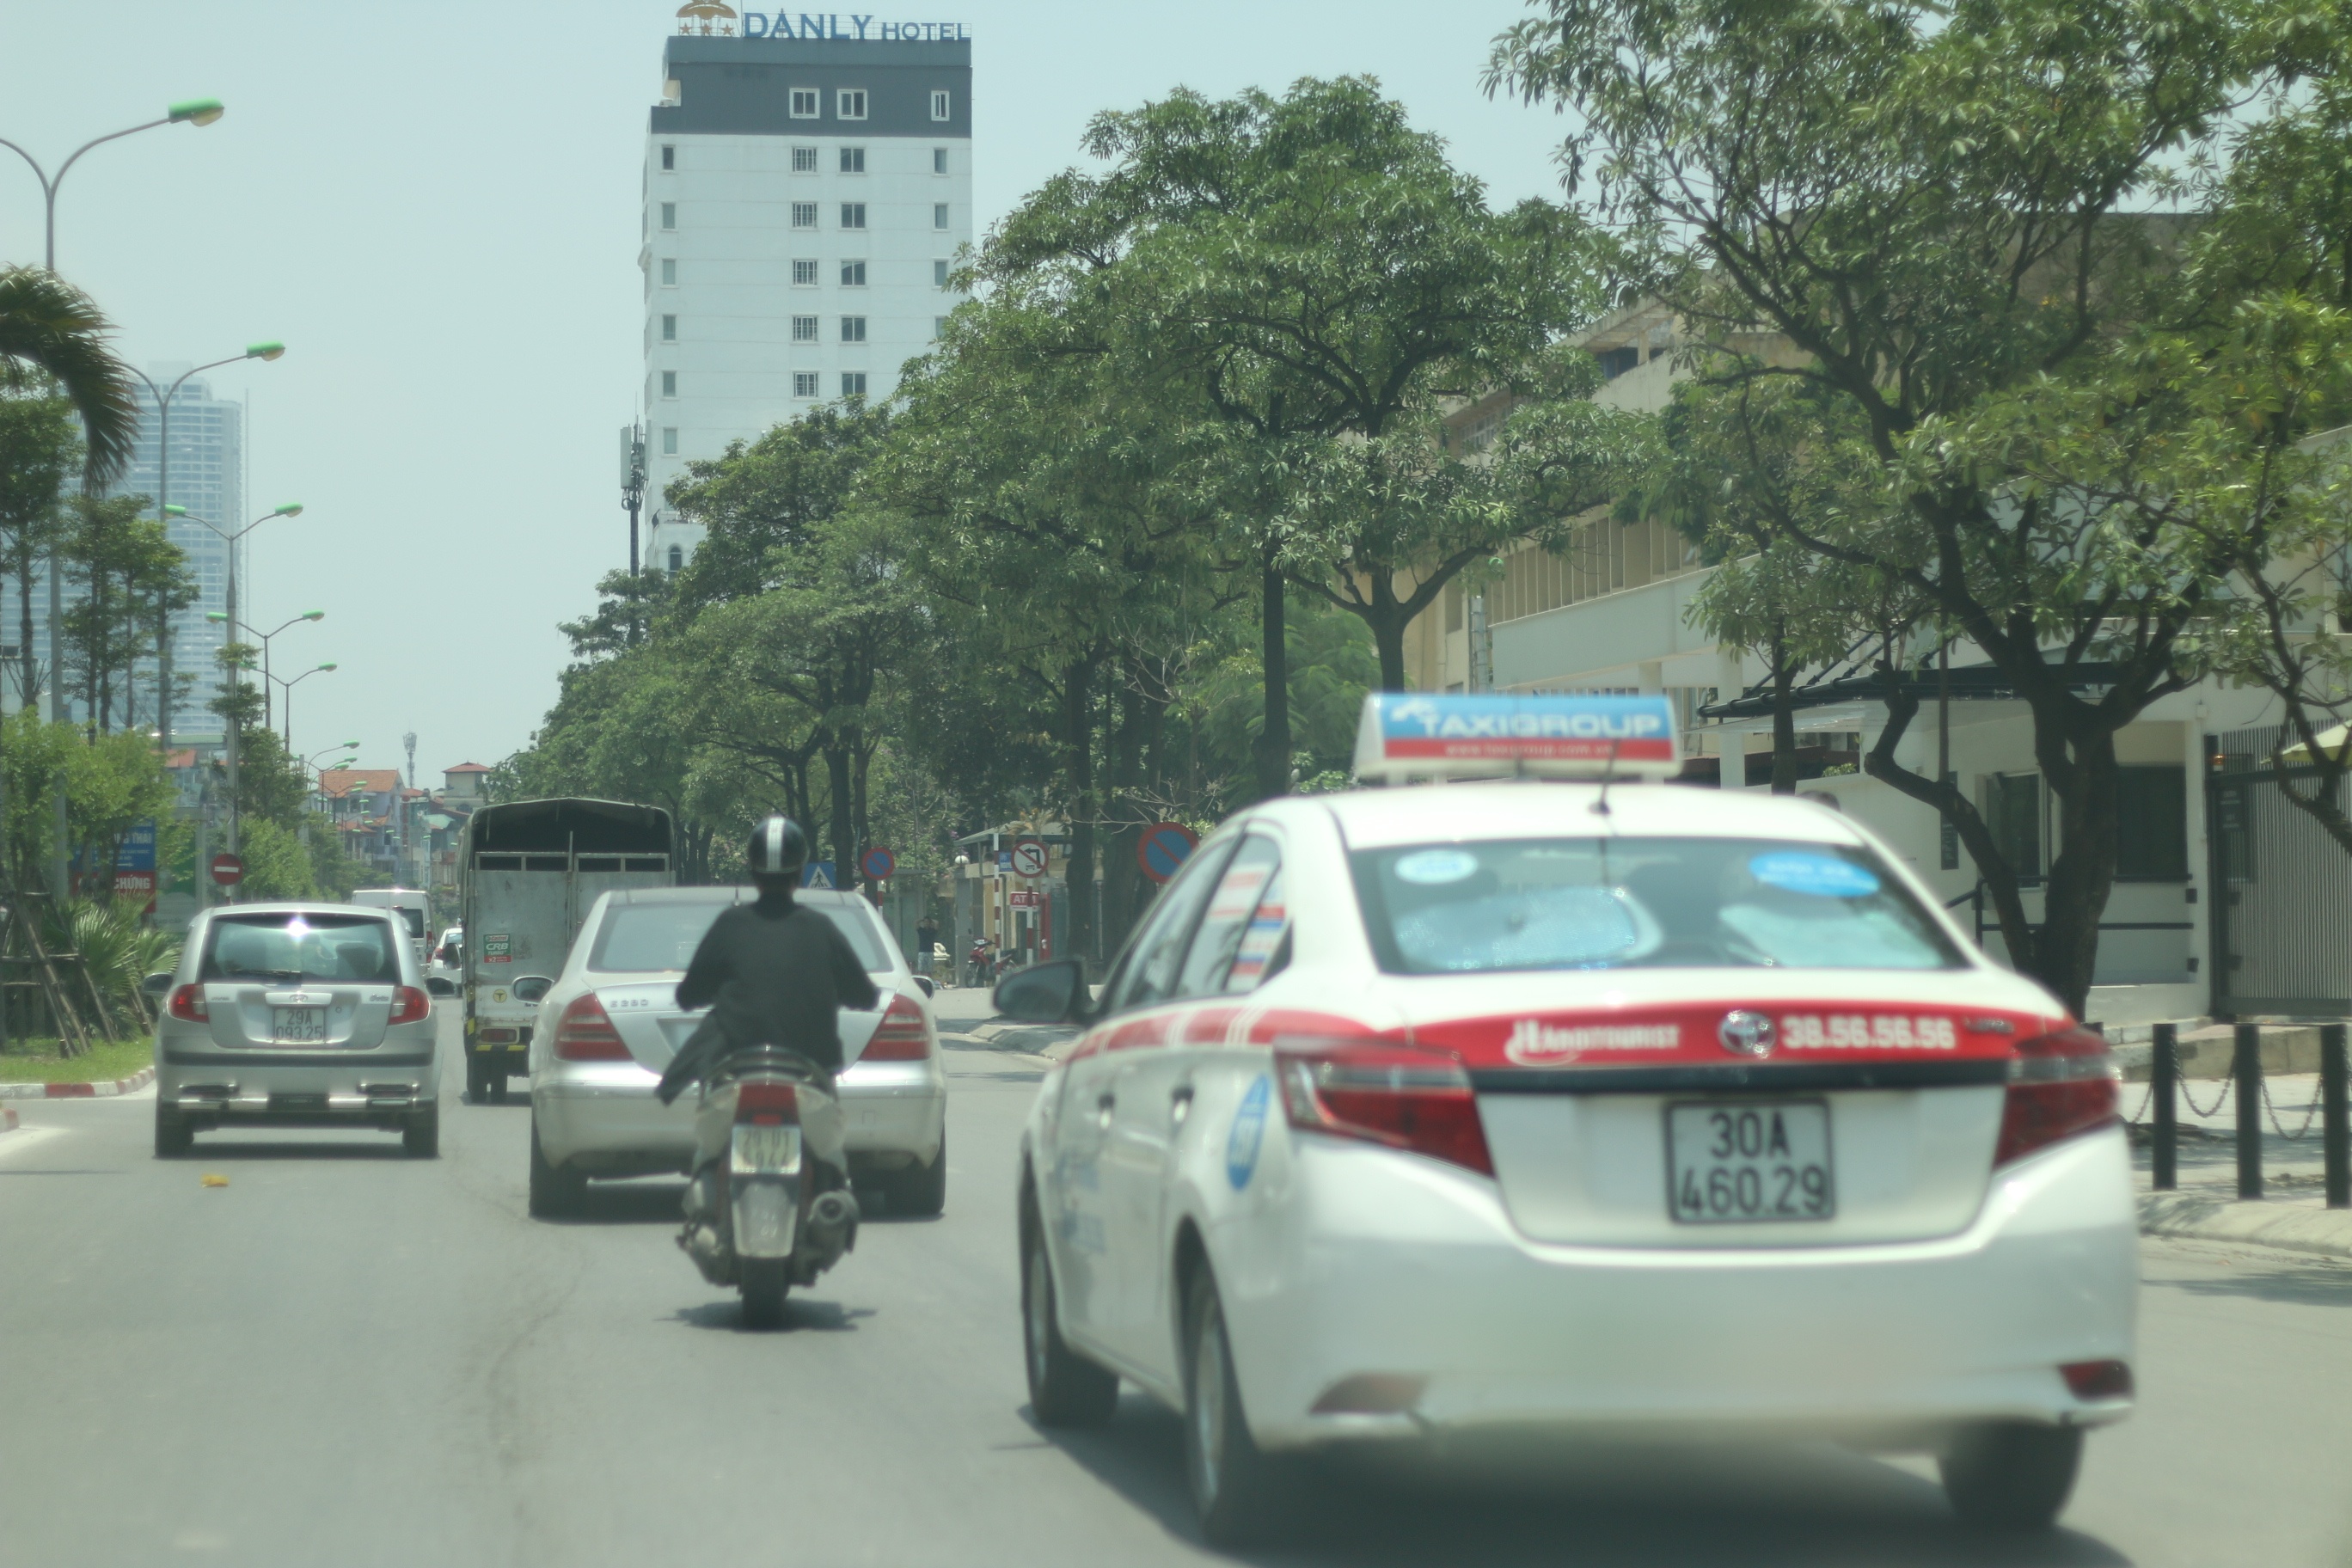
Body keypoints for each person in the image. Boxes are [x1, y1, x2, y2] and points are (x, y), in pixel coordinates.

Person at [656, 817, 879, 1184]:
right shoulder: (820, 927)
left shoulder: (731, 924)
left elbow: (687, 994)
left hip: (733, 1078)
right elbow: (865, 994)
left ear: (752, 870)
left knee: (706, 1163)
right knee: (833, 1171)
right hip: (811, 1079)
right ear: (801, 871)